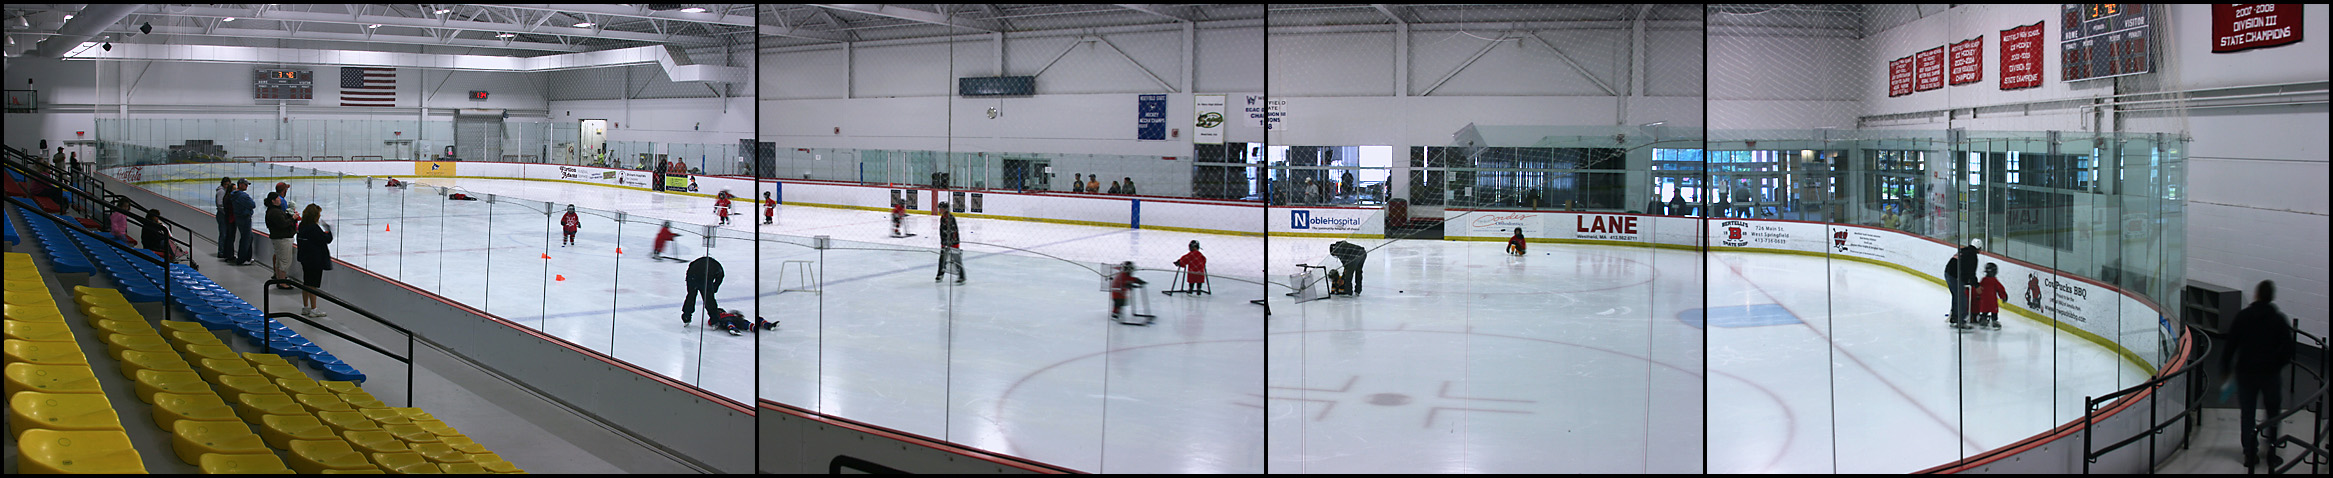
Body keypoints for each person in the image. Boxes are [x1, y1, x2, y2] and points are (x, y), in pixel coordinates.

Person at [2227, 280, 2295, 469]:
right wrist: (2277, 364)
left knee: (2248, 414)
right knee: (2273, 414)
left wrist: (2226, 366)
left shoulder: (2243, 317)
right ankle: (2272, 452)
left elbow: (2231, 344)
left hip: (2246, 374)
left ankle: (2250, 453)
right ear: (2271, 296)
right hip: (2270, 375)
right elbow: (2288, 349)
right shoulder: (2278, 320)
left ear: (2256, 295)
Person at [296, 203, 334, 317]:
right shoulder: (314, 228)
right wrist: (329, 230)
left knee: (306, 282)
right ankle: (314, 308)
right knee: (313, 285)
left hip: (305, 258)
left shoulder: (302, 226)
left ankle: (305, 307)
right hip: (315, 260)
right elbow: (326, 239)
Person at [1943, 239, 1981, 329]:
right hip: (1955, 276)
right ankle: (1960, 321)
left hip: (1948, 273)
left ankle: (1954, 318)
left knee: (1956, 296)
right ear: (1978, 249)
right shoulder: (1972, 256)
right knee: (1962, 298)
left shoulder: (1963, 251)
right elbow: (1971, 272)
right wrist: (1976, 285)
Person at [265, 192, 299, 290]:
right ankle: (282, 282)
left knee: (280, 260)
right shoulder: (275, 212)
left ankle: (280, 278)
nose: (280, 199)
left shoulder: (273, 211)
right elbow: (283, 224)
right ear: (273, 201)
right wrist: (293, 218)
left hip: (279, 238)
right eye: (278, 198)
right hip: (282, 239)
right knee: (285, 260)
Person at [682, 255, 725, 328]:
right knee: (709, 299)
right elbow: (720, 277)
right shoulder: (717, 267)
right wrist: (715, 288)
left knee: (691, 296)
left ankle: (686, 316)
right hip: (703, 277)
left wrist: (689, 281)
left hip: (692, 276)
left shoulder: (699, 262)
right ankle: (714, 320)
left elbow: (690, 268)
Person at [228, 179, 258, 265]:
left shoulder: (234, 195)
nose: (247, 186)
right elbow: (253, 204)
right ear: (240, 185)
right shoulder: (243, 196)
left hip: (239, 217)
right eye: (245, 184)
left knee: (248, 237)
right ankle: (242, 259)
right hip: (244, 218)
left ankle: (246, 257)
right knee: (246, 238)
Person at [934, 203, 964, 284]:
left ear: (945, 209)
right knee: (942, 259)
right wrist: (943, 241)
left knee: (956, 259)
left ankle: (962, 276)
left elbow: (953, 232)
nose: (939, 210)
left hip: (953, 242)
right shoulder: (943, 217)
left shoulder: (950, 218)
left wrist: (950, 242)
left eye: (941, 208)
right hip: (944, 242)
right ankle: (940, 274)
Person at [1971, 263, 2006, 330]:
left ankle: (1985, 319)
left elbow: (1978, 289)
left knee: (1985, 310)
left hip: (1984, 301)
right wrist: (2003, 296)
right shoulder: (1994, 281)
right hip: (1992, 301)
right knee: (1993, 311)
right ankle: (1993, 320)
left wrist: (1977, 296)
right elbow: (2000, 289)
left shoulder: (1984, 280)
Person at [214, 177, 236, 259]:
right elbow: (220, 205)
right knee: (223, 233)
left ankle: (224, 251)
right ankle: (221, 251)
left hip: (224, 214)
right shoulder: (221, 192)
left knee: (226, 233)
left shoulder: (225, 192)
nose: (227, 186)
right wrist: (226, 212)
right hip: (222, 215)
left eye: (228, 184)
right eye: (226, 184)